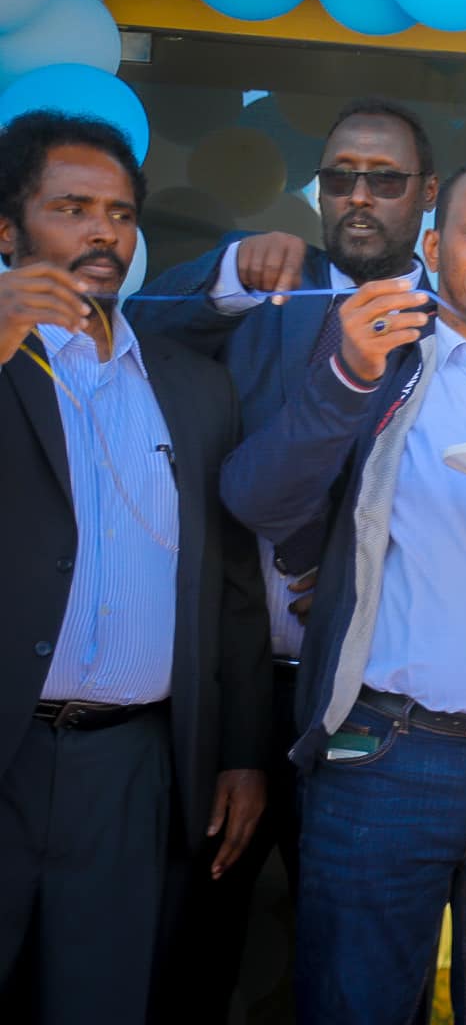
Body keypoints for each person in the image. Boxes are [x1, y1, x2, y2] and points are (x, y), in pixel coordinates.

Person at [220, 163, 466, 1024]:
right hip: (387, 758)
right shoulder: (374, 367)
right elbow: (256, 499)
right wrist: (347, 378)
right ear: (433, 246)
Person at [130, 96, 440, 1016]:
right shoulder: (267, 290)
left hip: (370, 697)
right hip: (229, 681)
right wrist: (229, 265)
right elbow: (127, 327)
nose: (358, 196)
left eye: (384, 180)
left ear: (425, 194)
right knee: (189, 942)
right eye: (340, 176)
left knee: (351, 959)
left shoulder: (463, 317)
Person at [0, 110, 270, 1024]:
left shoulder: (191, 383)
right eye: (71, 207)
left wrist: (239, 752)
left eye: (118, 212)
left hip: (134, 768)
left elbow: (230, 587)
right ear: (8, 231)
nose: (101, 232)